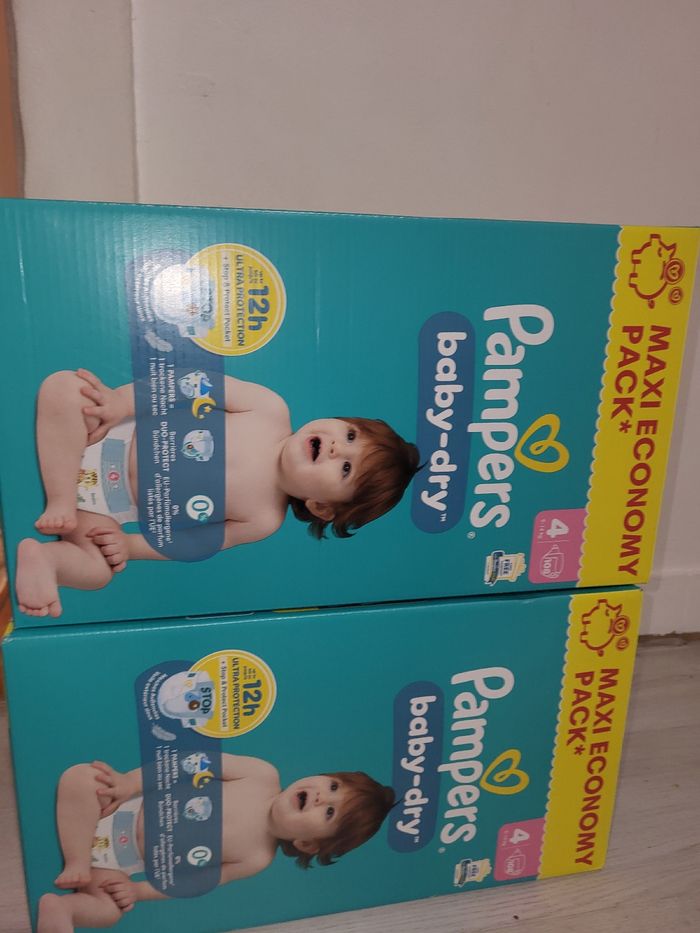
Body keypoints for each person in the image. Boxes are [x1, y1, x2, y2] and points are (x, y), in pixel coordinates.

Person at [16, 369, 419, 617]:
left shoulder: (264, 519)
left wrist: (128, 546)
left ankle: (47, 561)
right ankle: (60, 499)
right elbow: (188, 383)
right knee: (65, 388)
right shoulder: (269, 409)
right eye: (350, 435)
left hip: (108, 509)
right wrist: (119, 403)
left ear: (322, 507)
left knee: (98, 571)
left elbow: (194, 543)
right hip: (105, 436)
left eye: (345, 468)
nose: (335, 448)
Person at [37, 756, 395, 932]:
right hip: (119, 809)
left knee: (110, 910)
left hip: (119, 865)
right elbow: (189, 762)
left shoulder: (257, 857)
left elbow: (198, 882)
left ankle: (64, 910)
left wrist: (138, 892)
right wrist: (129, 783)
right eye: (333, 786)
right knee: (83, 778)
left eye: (330, 812)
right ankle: (76, 860)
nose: (320, 796)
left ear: (306, 843)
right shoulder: (261, 774)